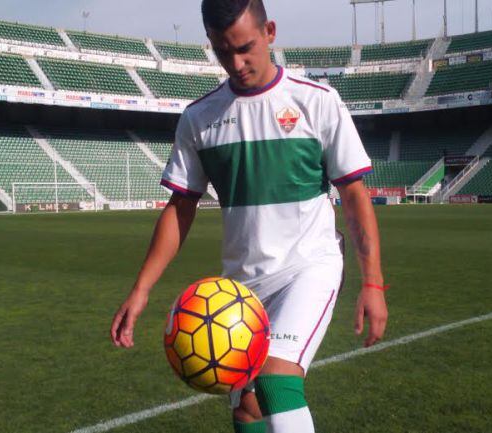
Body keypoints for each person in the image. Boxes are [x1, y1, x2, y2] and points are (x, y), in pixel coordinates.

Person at [111, 1, 388, 431]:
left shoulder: (317, 102)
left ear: (270, 32)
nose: (236, 63)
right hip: (241, 288)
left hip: (308, 267)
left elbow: (353, 195)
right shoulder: (199, 119)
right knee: (247, 409)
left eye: (245, 48)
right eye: (224, 52)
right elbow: (180, 207)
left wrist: (372, 282)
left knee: (277, 379)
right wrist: (141, 288)